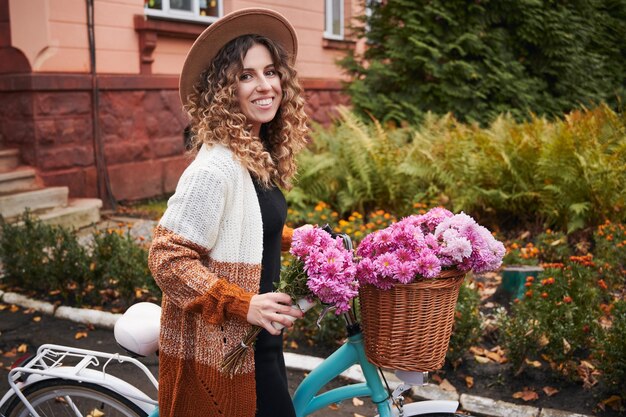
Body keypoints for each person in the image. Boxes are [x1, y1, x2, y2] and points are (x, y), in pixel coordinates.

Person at [148, 8, 309, 417]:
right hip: (225, 352)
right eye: (245, 75)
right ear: (224, 90)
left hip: (257, 344)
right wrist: (243, 304)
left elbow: (247, 225)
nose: (264, 85)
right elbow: (167, 258)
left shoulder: (253, 155)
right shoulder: (215, 168)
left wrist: (302, 240)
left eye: (270, 72)